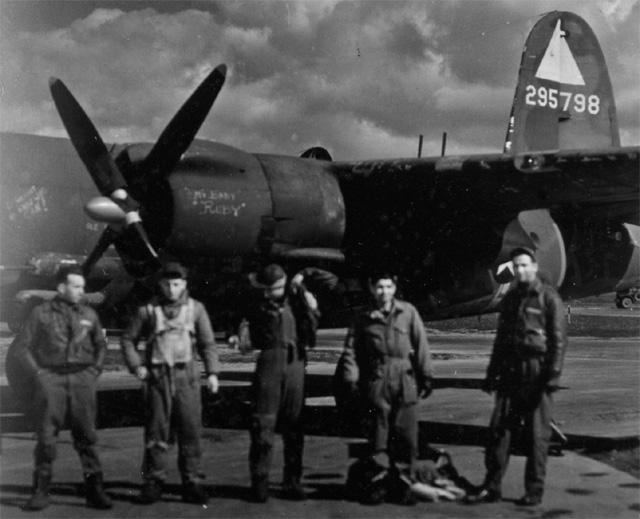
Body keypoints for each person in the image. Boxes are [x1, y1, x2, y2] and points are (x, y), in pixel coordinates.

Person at [466, 247, 567, 506]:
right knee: (499, 431)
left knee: (536, 436)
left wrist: (552, 377)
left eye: (524, 265)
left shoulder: (548, 299)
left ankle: (534, 490)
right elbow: (501, 340)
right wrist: (491, 374)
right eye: (516, 266)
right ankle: (492, 486)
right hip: (510, 370)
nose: (520, 270)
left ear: (534, 266)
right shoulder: (511, 299)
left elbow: (558, 341)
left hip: (537, 371)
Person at [12, 265, 112, 511]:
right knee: (46, 438)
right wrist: (38, 374)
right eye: (76, 286)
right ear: (61, 287)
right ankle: (40, 491)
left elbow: (100, 345)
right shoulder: (40, 314)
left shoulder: (89, 314)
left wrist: (93, 371)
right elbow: (22, 347)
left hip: (82, 380)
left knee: (87, 436)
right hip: (51, 380)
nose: (81, 291)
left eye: (82, 286)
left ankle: (95, 490)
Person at [121, 261, 220, 505]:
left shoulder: (196, 309)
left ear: (184, 284)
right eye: (167, 284)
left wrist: (213, 373)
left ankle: (192, 482)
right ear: (160, 284)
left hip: (187, 377)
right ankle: (153, 482)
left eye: (176, 284)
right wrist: (136, 365)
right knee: (156, 432)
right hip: (158, 379)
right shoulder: (147, 310)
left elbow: (208, 344)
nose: (171, 289)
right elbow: (128, 339)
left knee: (191, 431)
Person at [339, 272, 434, 505]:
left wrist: (427, 374)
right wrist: (351, 378)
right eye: (380, 287)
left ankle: (403, 485)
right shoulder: (363, 318)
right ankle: (377, 485)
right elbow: (351, 350)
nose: (384, 292)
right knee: (378, 434)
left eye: (388, 287)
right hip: (378, 378)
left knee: (406, 434)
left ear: (395, 287)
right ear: (372, 288)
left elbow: (421, 343)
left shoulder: (408, 312)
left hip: (404, 378)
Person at [237, 263, 321, 503]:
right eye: (267, 289)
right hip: (269, 363)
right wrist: (242, 335)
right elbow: (246, 339)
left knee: (294, 426)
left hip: (296, 363)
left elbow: (312, 327)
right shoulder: (257, 306)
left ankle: (292, 482)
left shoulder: (299, 302)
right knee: (263, 425)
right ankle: (259, 482)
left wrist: (304, 282)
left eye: (274, 288)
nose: (270, 293)